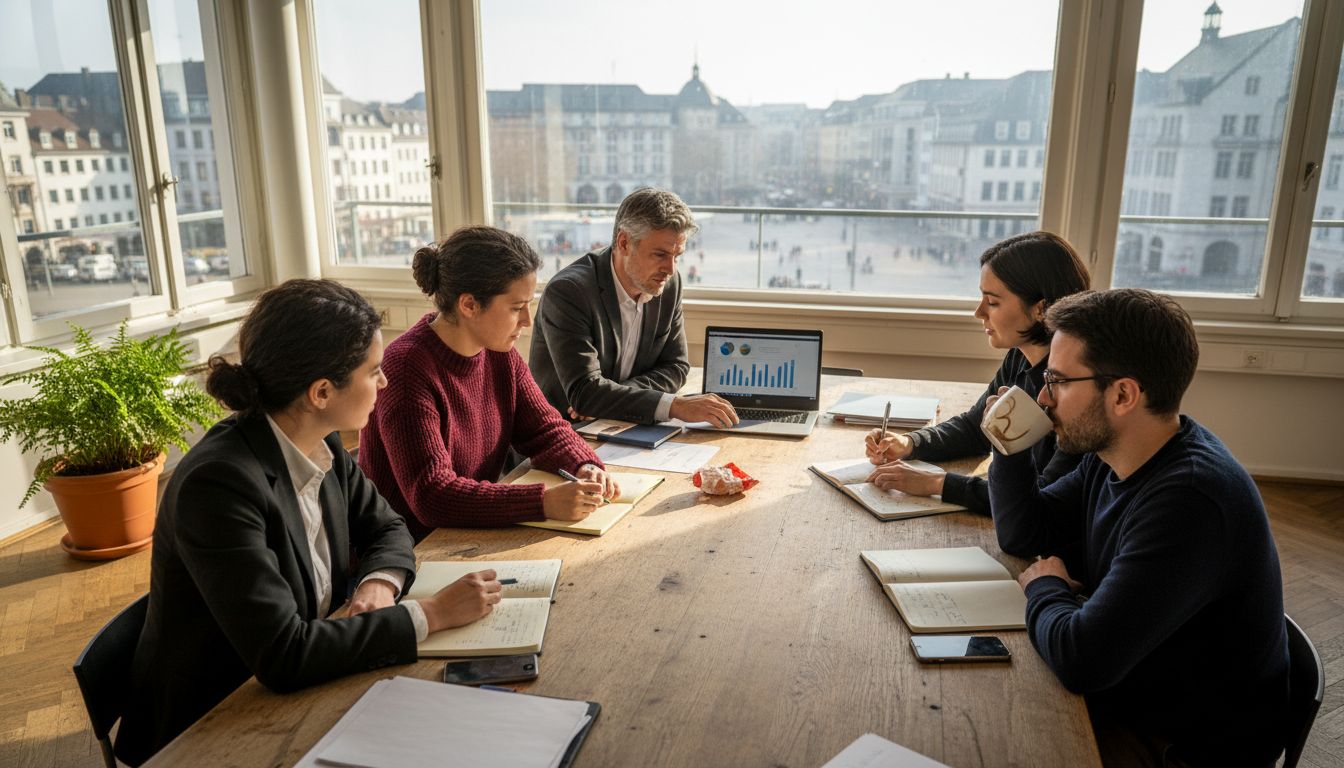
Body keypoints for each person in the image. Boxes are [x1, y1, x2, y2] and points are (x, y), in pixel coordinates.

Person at [115, 280, 502, 766]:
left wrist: (380, 586)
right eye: (374, 371)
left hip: (309, 681)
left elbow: (388, 529)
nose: (384, 383)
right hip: (213, 726)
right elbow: (284, 655)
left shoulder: (319, 442)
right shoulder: (217, 485)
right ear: (321, 391)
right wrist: (432, 615)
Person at [990, 288, 1288, 767]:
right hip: (1137, 691)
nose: (1042, 397)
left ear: (1123, 394)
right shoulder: (1117, 454)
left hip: (1181, 746)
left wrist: (1045, 587)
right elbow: (1027, 533)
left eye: (1058, 381)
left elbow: (1082, 660)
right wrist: (1008, 442)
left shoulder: (1189, 501)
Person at [359, 226, 618, 542]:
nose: (526, 320)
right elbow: (432, 496)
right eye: (515, 307)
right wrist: (543, 502)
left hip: (468, 536)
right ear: (468, 305)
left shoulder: (498, 353)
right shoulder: (405, 368)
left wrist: (584, 465)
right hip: (413, 552)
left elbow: (546, 431)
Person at [864, 231, 1090, 516]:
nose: (978, 312)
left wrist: (938, 483)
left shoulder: (1075, 389)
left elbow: (1039, 496)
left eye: (993, 302)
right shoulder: (1020, 357)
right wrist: (910, 443)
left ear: (1040, 309)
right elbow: (977, 428)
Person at [528, 187, 738, 427]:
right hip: (563, 433)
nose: (670, 269)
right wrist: (675, 406)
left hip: (627, 425)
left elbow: (676, 367)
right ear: (624, 242)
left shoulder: (668, 284)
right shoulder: (569, 292)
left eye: (677, 255)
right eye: (660, 254)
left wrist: (610, 397)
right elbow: (585, 393)